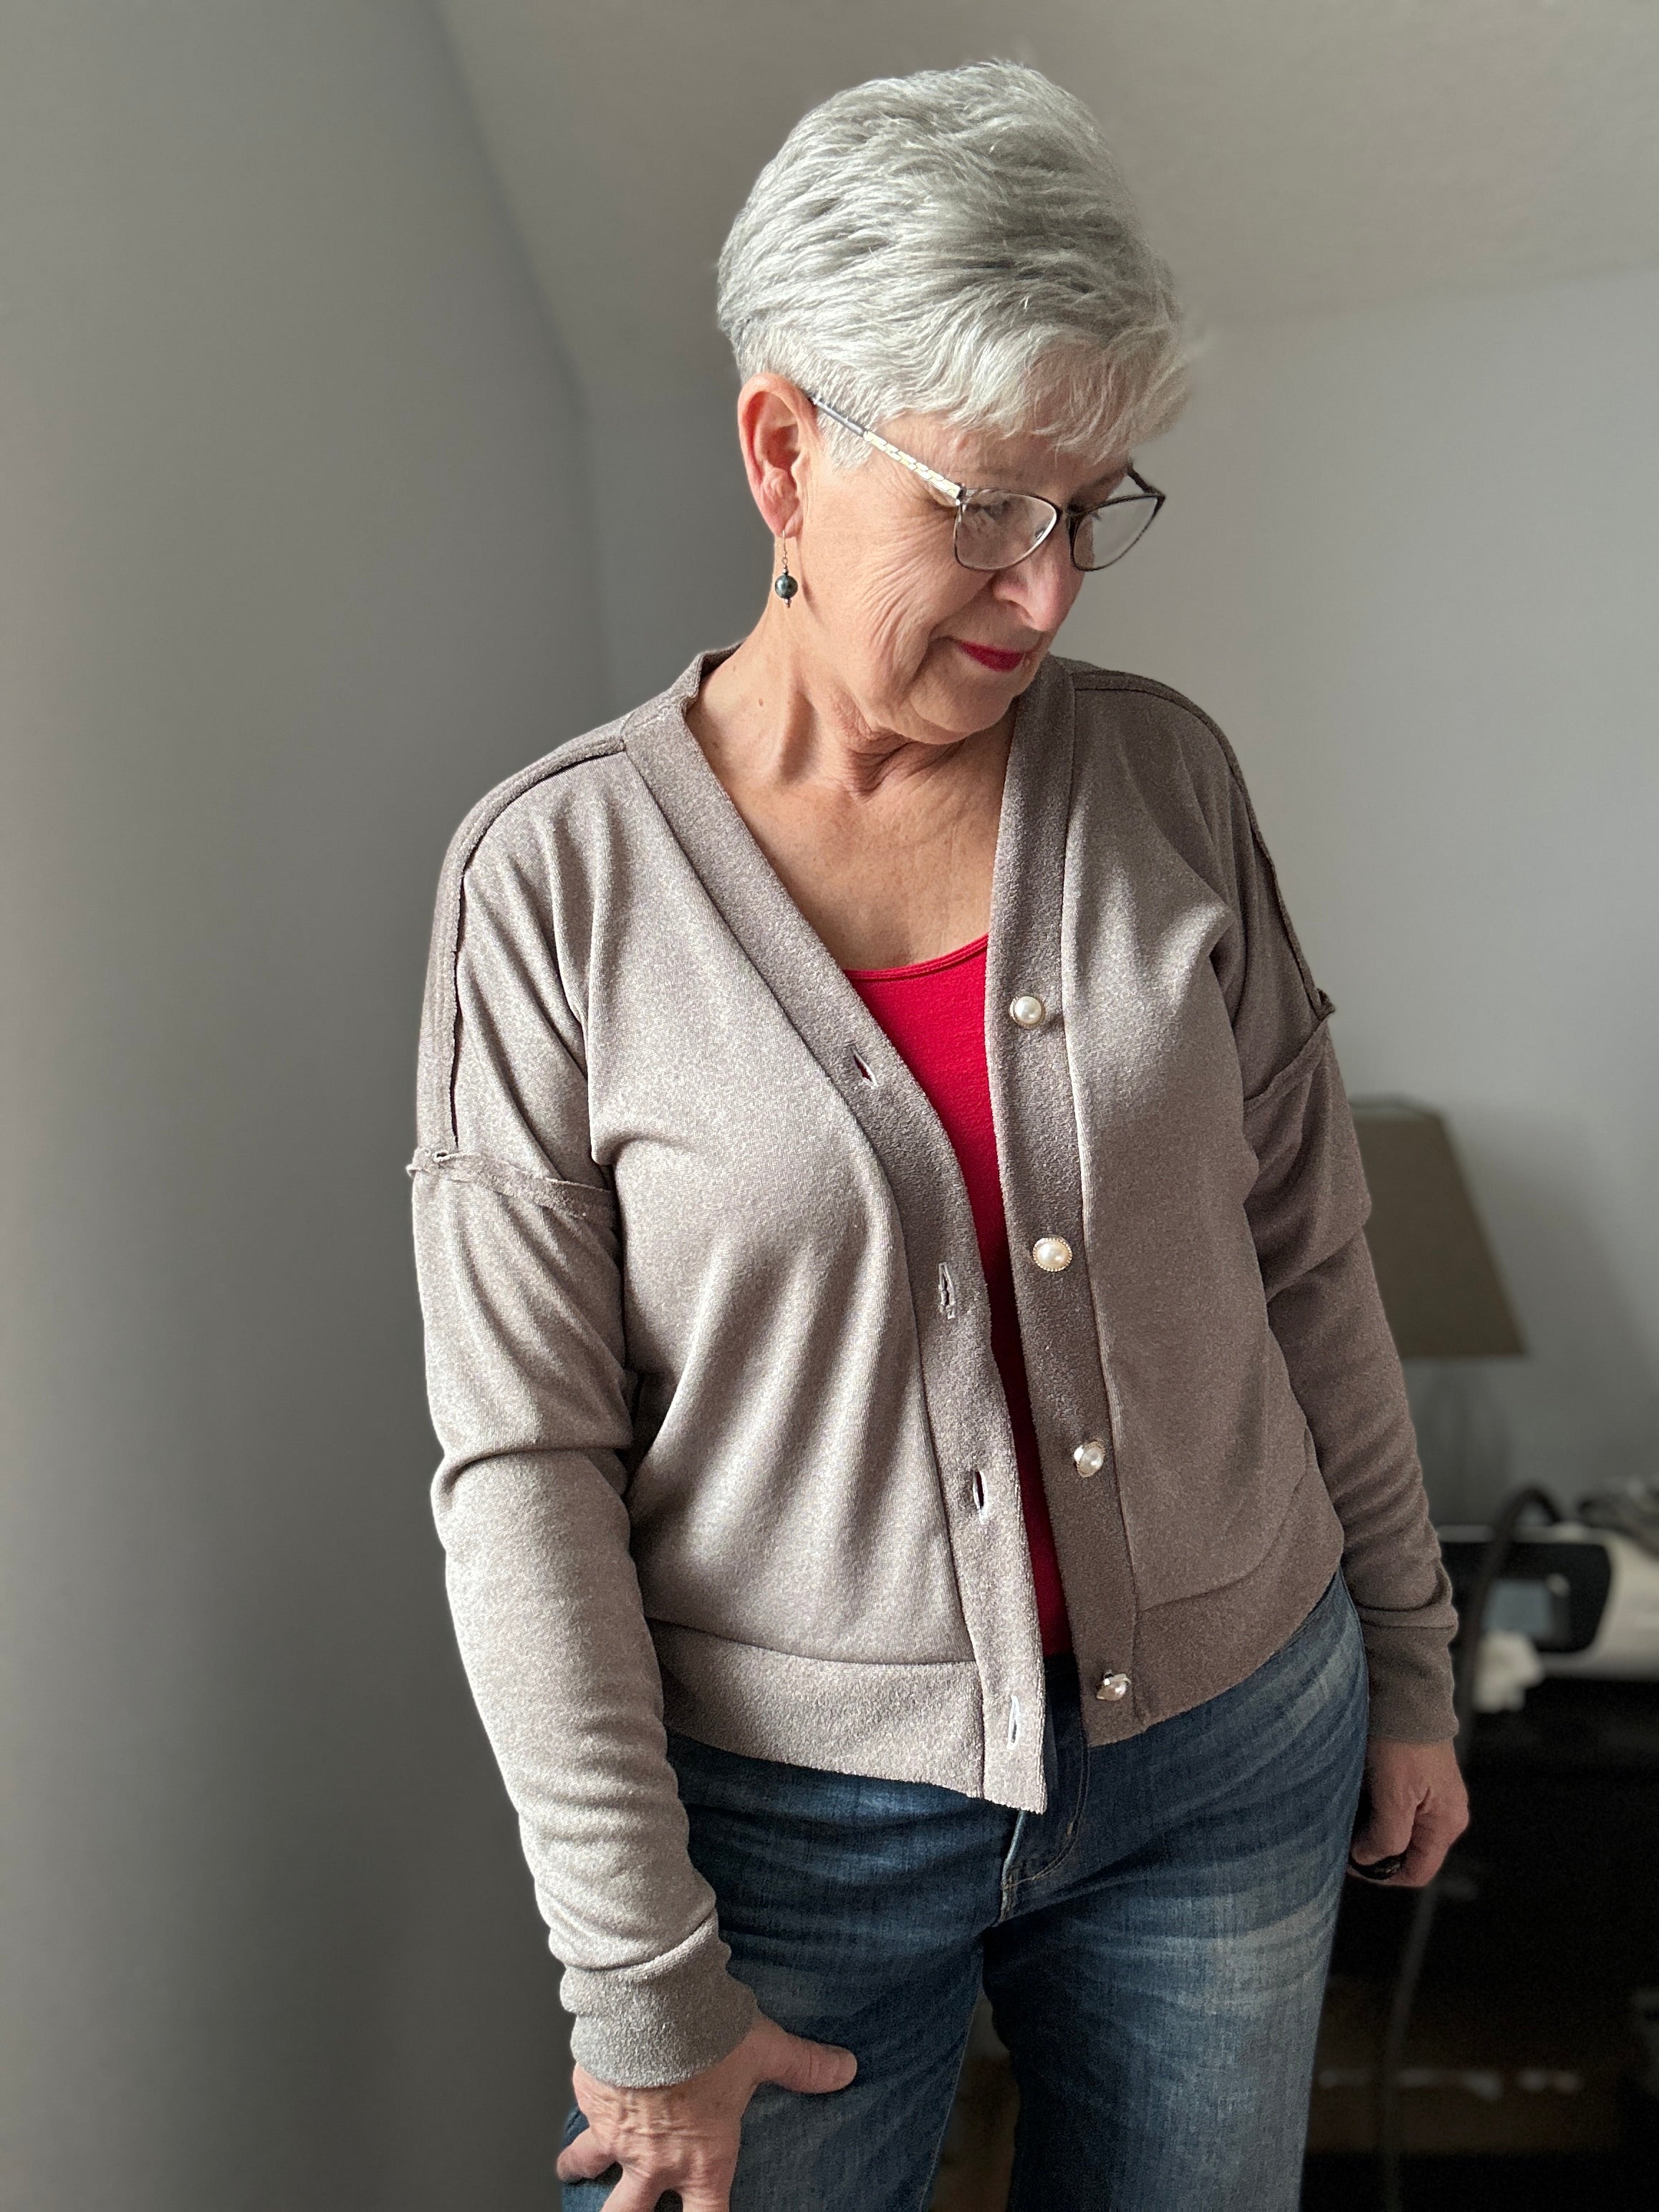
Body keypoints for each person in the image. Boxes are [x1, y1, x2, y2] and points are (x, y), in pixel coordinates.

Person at [407, 60, 1468, 2212]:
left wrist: (1411, 1663)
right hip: (792, 1831)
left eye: (1090, 507)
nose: (1049, 588)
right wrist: (637, 1981)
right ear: (782, 451)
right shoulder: (554, 886)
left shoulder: (1165, 782)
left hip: (1234, 1745)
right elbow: (526, 1470)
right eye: (985, 504)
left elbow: (1307, 1248)